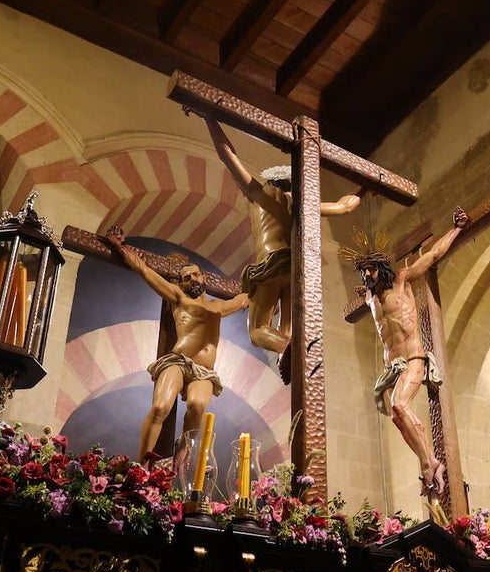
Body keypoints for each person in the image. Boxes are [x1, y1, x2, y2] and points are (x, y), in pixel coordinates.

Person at [200, 113, 362, 383]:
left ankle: (287, 349)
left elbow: (227, 153)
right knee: (287, 329)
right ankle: (289, 352)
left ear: (271, 182)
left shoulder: (258, 193)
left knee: (258, 330)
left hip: (271, 263)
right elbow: (345, 206)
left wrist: (209, 117)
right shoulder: (300, 204)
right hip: (295, 268)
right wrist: (366, 186)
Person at [344, 207, 469, 496]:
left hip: (414, 358)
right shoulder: (370, 298)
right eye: (363, 271)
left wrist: (457, 229)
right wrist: (361, 292)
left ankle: (430, 463)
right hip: (392, 367)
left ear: (382, 267)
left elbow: (433, 255)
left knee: (400, 405)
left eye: (371, 269)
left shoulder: (401, 280)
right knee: (398, 417)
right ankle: (428, 462)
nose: (367, 274)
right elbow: (361, 301)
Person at [104, 227, 249, 470]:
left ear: (203, 278)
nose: (192, 279)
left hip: (204, 371)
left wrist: (265, 289)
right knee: (160, 407)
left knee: (198, 406)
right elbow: (144, 270)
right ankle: (141, 468)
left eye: (196, 275)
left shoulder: (218, 307)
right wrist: (120, 247)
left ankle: (182, 451)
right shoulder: (179, 298)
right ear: (181, 283)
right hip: (179, 361)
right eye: (187, 277)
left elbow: (246, 298)